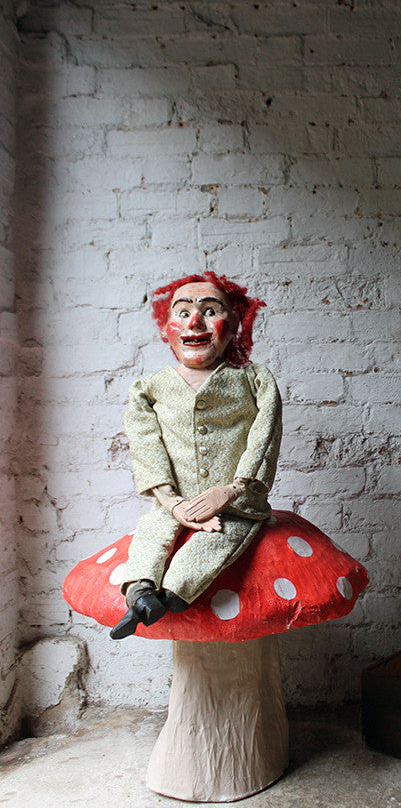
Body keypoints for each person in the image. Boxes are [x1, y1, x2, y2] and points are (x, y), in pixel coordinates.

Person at [110, 271, 282, 640]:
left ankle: (173, 595)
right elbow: (146, 447)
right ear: (165, 329)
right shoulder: (148, 390)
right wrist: (172, 503)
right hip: (172, 503)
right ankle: (140, 593)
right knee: (151, 535)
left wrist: (233, 490)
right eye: (183, 312)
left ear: (233, 325)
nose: (195, 322)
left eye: (210, 311)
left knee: (217, 539)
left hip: (236, 506)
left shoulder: (255, 381)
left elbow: (264, 437)